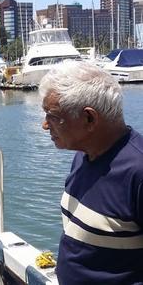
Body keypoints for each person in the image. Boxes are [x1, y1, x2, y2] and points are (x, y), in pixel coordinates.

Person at [39, 61, 143, 284]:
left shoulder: (138, 172)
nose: (45, 125)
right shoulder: (83, 156)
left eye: (53, 116)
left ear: (89, 119)